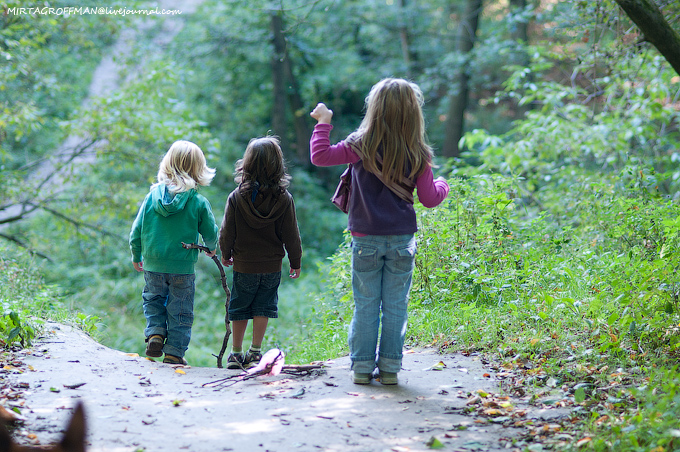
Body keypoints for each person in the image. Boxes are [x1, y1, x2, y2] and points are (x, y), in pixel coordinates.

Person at [309, 78, 450, 385]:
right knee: (396, 305)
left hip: (365, 239)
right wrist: (443, 185)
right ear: (413, 113)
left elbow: (320, 156)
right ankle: (389, 370)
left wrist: (324, 122)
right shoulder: (417, 152)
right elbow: (429, 198)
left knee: (366, 304)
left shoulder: (360, 146)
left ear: (374, 109)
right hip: (401, 239)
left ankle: (361, 368)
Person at [129, 140, 219, 365]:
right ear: (198, 170)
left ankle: (156, 334)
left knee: (153, 301)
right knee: (180, 311)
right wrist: (211, 246)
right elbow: (210, 231)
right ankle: (174, 353)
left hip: (153, 264)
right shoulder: (198, 202)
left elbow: (136, 230)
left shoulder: (151, 198)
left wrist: (136, 254)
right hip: (182, 268)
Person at [218, 136, 302, 370]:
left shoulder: (236, 198)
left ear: (247, 164)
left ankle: (235, 353)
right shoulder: (285, 199)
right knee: (262, 308)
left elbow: (227, 231)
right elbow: (292, 235)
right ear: (278, 165)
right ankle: (255, 351)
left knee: (240, 307)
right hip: (272, 266)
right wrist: (295, 261)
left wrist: (226, 253)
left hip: (244, 265)